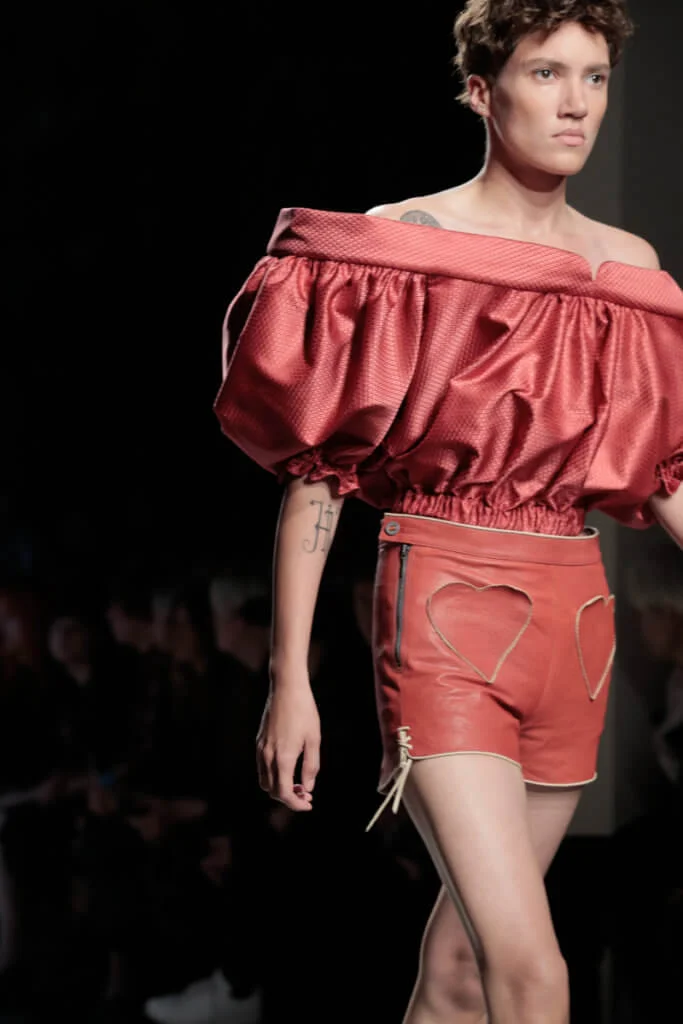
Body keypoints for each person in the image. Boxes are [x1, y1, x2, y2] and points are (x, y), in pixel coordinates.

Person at [213, 2, 683, 1022]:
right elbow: (318, 471)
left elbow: (656, 471)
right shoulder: (405, 242)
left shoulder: (630, 268)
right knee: (533, 974)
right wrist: (290, 678)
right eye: (546, 73)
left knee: (465, 972)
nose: (575, 103)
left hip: (575, 625)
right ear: (480, 90)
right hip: (442, 610)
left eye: (594, 77)